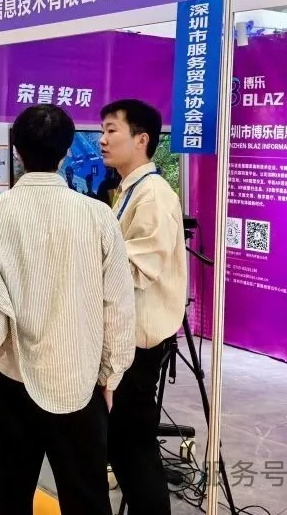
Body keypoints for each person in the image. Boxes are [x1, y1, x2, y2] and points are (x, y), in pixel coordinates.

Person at [0, 104, 135, 515]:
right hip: (80, 380)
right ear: (65, 152)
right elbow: (117, 305)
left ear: (17, 150)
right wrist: (111, 375)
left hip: (13, 377)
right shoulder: (98, 216)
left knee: (11, 499)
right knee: (87, 500)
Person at [99, 99, 187, 515]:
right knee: (125, 446)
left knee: (133, 449)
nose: (102, 139)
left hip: (139, 345)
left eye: (111, 130)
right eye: (103, 130)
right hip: (127, 339)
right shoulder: (130, 190)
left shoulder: (152, 196)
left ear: (141, 139)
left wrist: (85, 258)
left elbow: (139, 266)